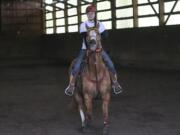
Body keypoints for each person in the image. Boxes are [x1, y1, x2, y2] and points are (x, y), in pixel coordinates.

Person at [65, 4, 122, 96]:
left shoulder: (100, 24)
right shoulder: (83, 25)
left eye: (92, 13)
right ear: (87, 14)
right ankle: (71, 86)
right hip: (85, 49)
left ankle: (115, 84)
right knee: (77, 66)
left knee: (110, 64)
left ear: (95, 14)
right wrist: (90, 48)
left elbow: (105, 35)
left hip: (99, 48)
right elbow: (84, 39)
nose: (91, 14)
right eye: (89, 13)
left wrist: (99, 36)